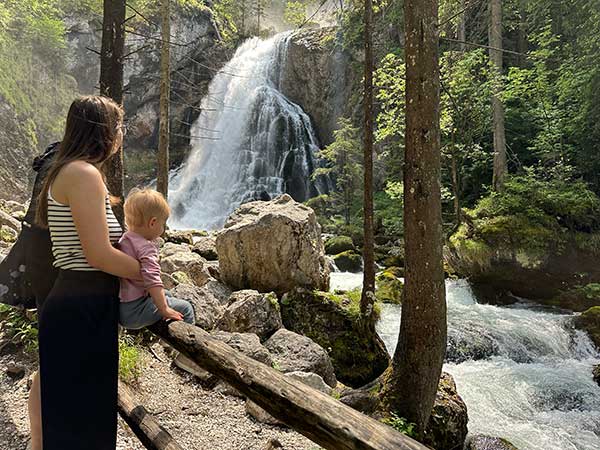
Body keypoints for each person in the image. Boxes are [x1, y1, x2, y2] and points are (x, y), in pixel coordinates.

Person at [33, 95, 142, 450]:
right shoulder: (83, 174)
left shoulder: (67, 171)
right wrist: (145, 270)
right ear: (103, 131)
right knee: (81, 421)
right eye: (119, 127)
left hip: (79, 301)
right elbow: (98, 254)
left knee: (75, 414)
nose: (122, 134)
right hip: (83, 304)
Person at [118, 188, 195, 329]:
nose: (163, 228)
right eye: (163, 224)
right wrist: (164, 308)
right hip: (135, 312)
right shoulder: (146, 248)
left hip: (123, 306)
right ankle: (184, 344)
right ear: (153, 223)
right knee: (186, 308)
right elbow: (153, 281)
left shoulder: (125, 239)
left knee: (167, 293)